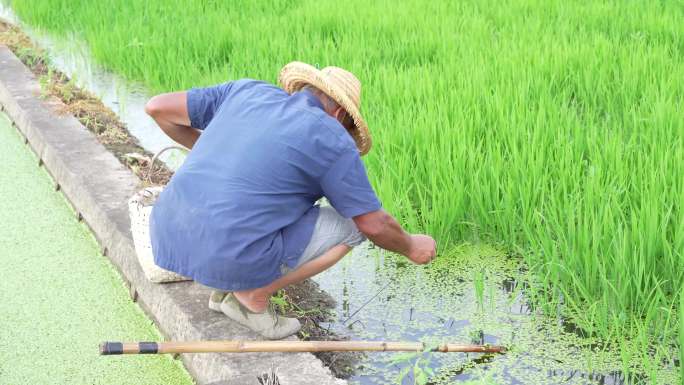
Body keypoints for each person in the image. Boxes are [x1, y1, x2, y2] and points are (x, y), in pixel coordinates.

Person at [144, 61, 437, 339]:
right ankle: (251, 296)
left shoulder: (246, 91)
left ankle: (227, 287)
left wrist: (216, 151)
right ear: (340, 116)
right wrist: (412, 246)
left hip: (167, 233)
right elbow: (373, 224)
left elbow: (157, 107)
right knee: (352, 227)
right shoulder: (331, 137)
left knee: (277, 205)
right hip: (224, 250)